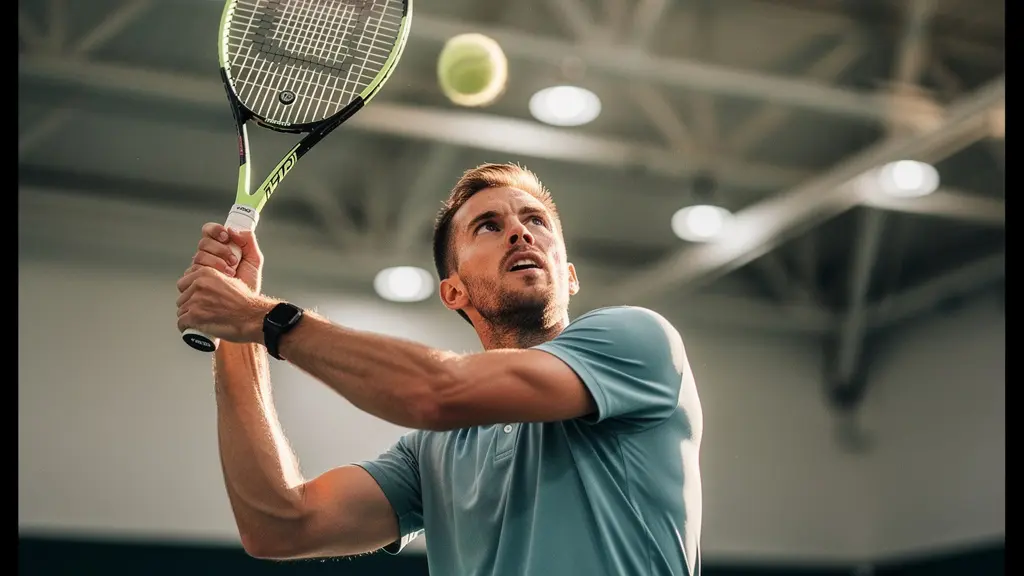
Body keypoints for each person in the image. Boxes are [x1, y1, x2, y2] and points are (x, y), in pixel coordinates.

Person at [175, 163, 704, 575]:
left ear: (569, 275)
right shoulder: (435, 450)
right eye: (489, 227)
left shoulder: (637, 341)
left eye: (535, 221)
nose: (520, 234)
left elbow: (435, 391)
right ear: (453, 291)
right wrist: (235, 334)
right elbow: (279, 527)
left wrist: (261, 317)